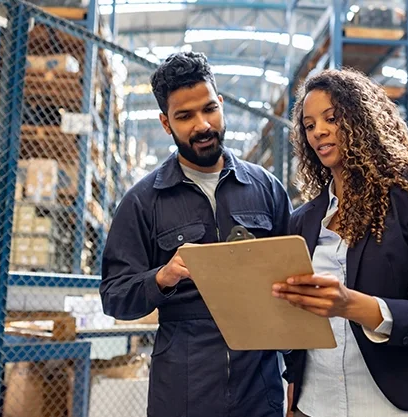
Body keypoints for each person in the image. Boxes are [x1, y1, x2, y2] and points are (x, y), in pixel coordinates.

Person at [100, 51, 292, 417]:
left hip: (259, 390)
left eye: (209, 109)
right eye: (184, 116)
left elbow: (299, 285)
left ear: (221, 104)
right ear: (165, 123)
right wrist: (161, 277)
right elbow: (114, 296)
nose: (202, 124)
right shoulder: (143, 201)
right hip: (184, 392)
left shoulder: (265, 188)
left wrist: (296, 373)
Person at [272, 68, 408, 417]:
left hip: (400, 406)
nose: (318, 130)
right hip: (315, 404)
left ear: (361, 117)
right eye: (309, 125)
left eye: (331, 118)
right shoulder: (303, 220)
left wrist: (352, 305)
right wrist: (293, 379)